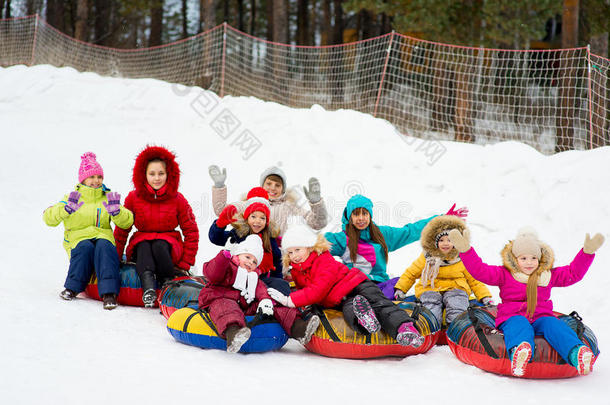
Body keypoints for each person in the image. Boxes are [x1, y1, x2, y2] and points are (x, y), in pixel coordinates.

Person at [448, 227, 604, 377]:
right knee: (519, 324)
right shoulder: (505, 274)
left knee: (554, 325)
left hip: (541, 316)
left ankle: (576, 353)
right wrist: (466, 251)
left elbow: (572, 273)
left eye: (533, 258)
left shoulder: (547, 275)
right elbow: (480, 270)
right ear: (515, 259)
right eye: (524, 258)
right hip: (511, 316)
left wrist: (586, 253)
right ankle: (520, 352)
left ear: (540, 258)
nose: (529, 262)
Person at [268, 224, 425, 347]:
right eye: (290, 252)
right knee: (351, 311)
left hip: (356, 284)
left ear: (309, 247)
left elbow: (317, 291)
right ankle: (366, 323)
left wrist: (290, 300)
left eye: (297, 250)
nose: (294, 256)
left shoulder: (323, 260)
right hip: (342, 299)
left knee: (380, 304)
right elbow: (306, 292)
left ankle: (405, 329)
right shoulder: (297, 272)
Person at [324, 194, 467, 296]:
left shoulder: (381, 234)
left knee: (399, 283)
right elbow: (317, 248)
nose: (361, 218)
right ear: (350, 217)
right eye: (356, 214)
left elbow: (410, 231)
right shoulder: (342, 239)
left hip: (379, 284)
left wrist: (441, 220)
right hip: (355, 284)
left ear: (370, 215)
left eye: (365, 213)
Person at [198, 234, 320, 353]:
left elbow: (261, 290)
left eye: (255, 261)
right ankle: (234, 333)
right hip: (218, 299)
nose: (250, 262)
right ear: (238, 255)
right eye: (247, 257)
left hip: (243, 307)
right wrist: (224, 255)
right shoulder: (227, 267)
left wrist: (266, 301)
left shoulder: (253, 277)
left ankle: (299, 328)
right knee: (226, 306)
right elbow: (212, 273)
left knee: (276, 303)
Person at [44, 152, 133, 310]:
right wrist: (65, 210)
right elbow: (49, 218)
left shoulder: (107, 197)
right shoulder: (73, 197)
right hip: (79, 237)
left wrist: (117, 212)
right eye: (92, 177)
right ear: (83, 179)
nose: (96, 181)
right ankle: (72, 287)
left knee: (105, 247)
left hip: (102, 236)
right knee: (85, 247)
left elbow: (128, 221)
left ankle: (109, 293)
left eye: (99, 177)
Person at [114, 146, 199, 307]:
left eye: (161, 173)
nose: (157, 178)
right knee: (144, 245)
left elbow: (191, 231)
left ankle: (168, 284)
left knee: (159, 245)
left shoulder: (177, 199)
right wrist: (116, 256)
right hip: (141, 244)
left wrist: (185, 263)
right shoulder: (133, 198)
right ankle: (148, 289)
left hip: (169, 246)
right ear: (144, 175)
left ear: (168, 174)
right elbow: (122, 229)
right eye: (152, 174)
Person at [393, 215, 492, 325]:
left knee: (457, 304)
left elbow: (474, 280)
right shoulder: (427, 258)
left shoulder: (462, 258)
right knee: (430, 305)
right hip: (431, 288)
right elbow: (411, 273)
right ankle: (431, 325)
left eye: (450, 240)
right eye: (441, 240)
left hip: (456, 289)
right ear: (434, 242)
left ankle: (457, 325)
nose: (445, 243)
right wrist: (401, 289)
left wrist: (485, 296)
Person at [209, 187, 290, 295]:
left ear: (266, 221)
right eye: (253, 216)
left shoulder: (269, 237)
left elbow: (276, 259)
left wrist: (277, 280)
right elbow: (216, 238)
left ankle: (272, 302)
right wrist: (220, 224)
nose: (258, 221)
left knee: (281, 285)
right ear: (247, 218)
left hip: (260, 279)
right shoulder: (239, 233)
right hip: (238, 277)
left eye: (262, 218)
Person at [209, 165, 327, 236]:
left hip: (279, 258)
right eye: (269, 183)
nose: (273, 188)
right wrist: (219, 186)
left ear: (283, 189)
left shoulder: (289, 207)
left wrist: (316, 203)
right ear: (262, 185)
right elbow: (222, 211)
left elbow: (317, 223)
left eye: (278, 185)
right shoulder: (250, 204)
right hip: (251, 255)